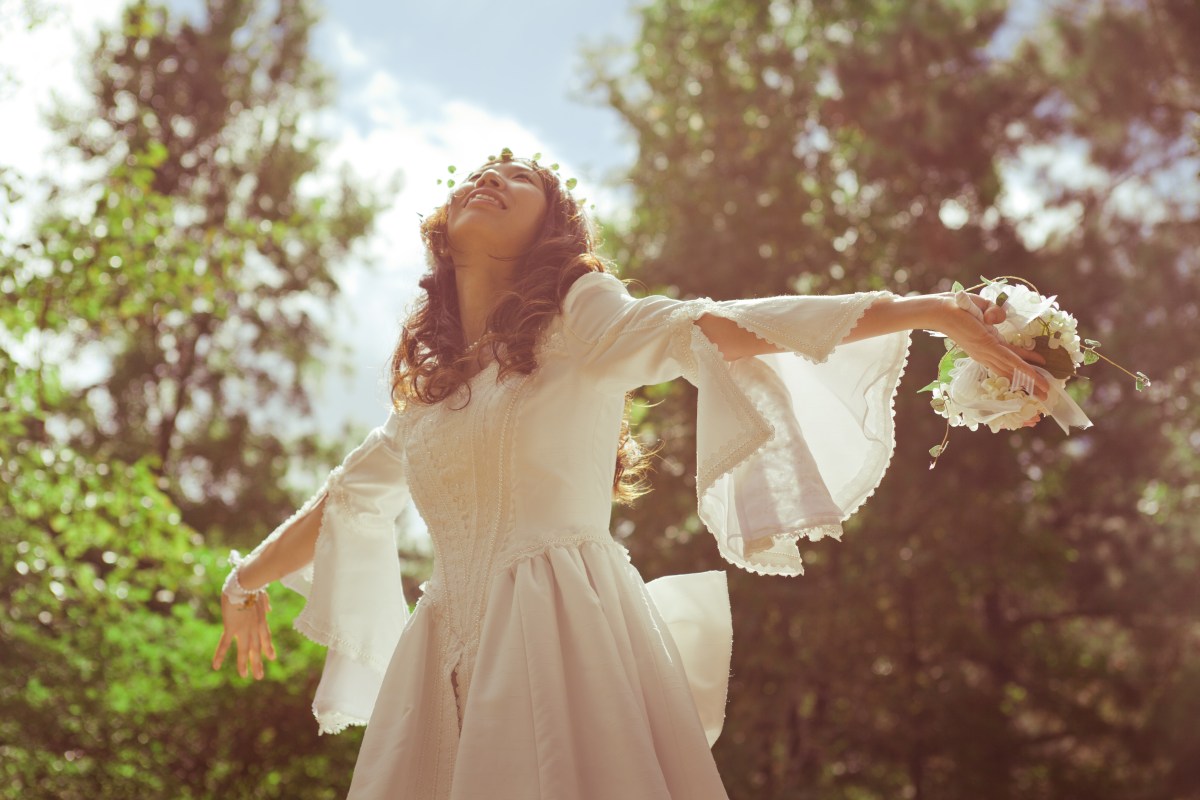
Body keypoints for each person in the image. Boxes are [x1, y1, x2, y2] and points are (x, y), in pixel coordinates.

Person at [210, 149, 1049, 798]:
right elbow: (347, 498)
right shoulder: (430, 395)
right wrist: (245, 578)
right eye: (480, 173)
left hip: (560, 627)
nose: (491, 178)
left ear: (549, 235)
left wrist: (929, 310)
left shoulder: (577, 318)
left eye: (519, 180)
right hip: (441, 655)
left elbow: (707, 326)